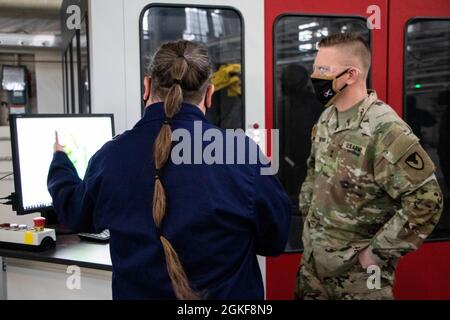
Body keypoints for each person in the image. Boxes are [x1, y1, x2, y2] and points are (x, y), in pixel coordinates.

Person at [47, 40, 291, 300]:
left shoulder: (111, 157)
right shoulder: (241, 153)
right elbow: (274, 240)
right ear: (209, 94)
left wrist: (60, 161)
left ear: (147, 86)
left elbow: (75, 213)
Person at [295, 33, 443, 300]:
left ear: (350, 75)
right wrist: (308, 215)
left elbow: (426, 200)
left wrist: (377, 252)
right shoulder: (328, 116)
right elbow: (313, 170)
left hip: (359, 279)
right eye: (315, 68)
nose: (314, 76)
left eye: (322, 70)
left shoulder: (384, 129)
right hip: (313, 267)